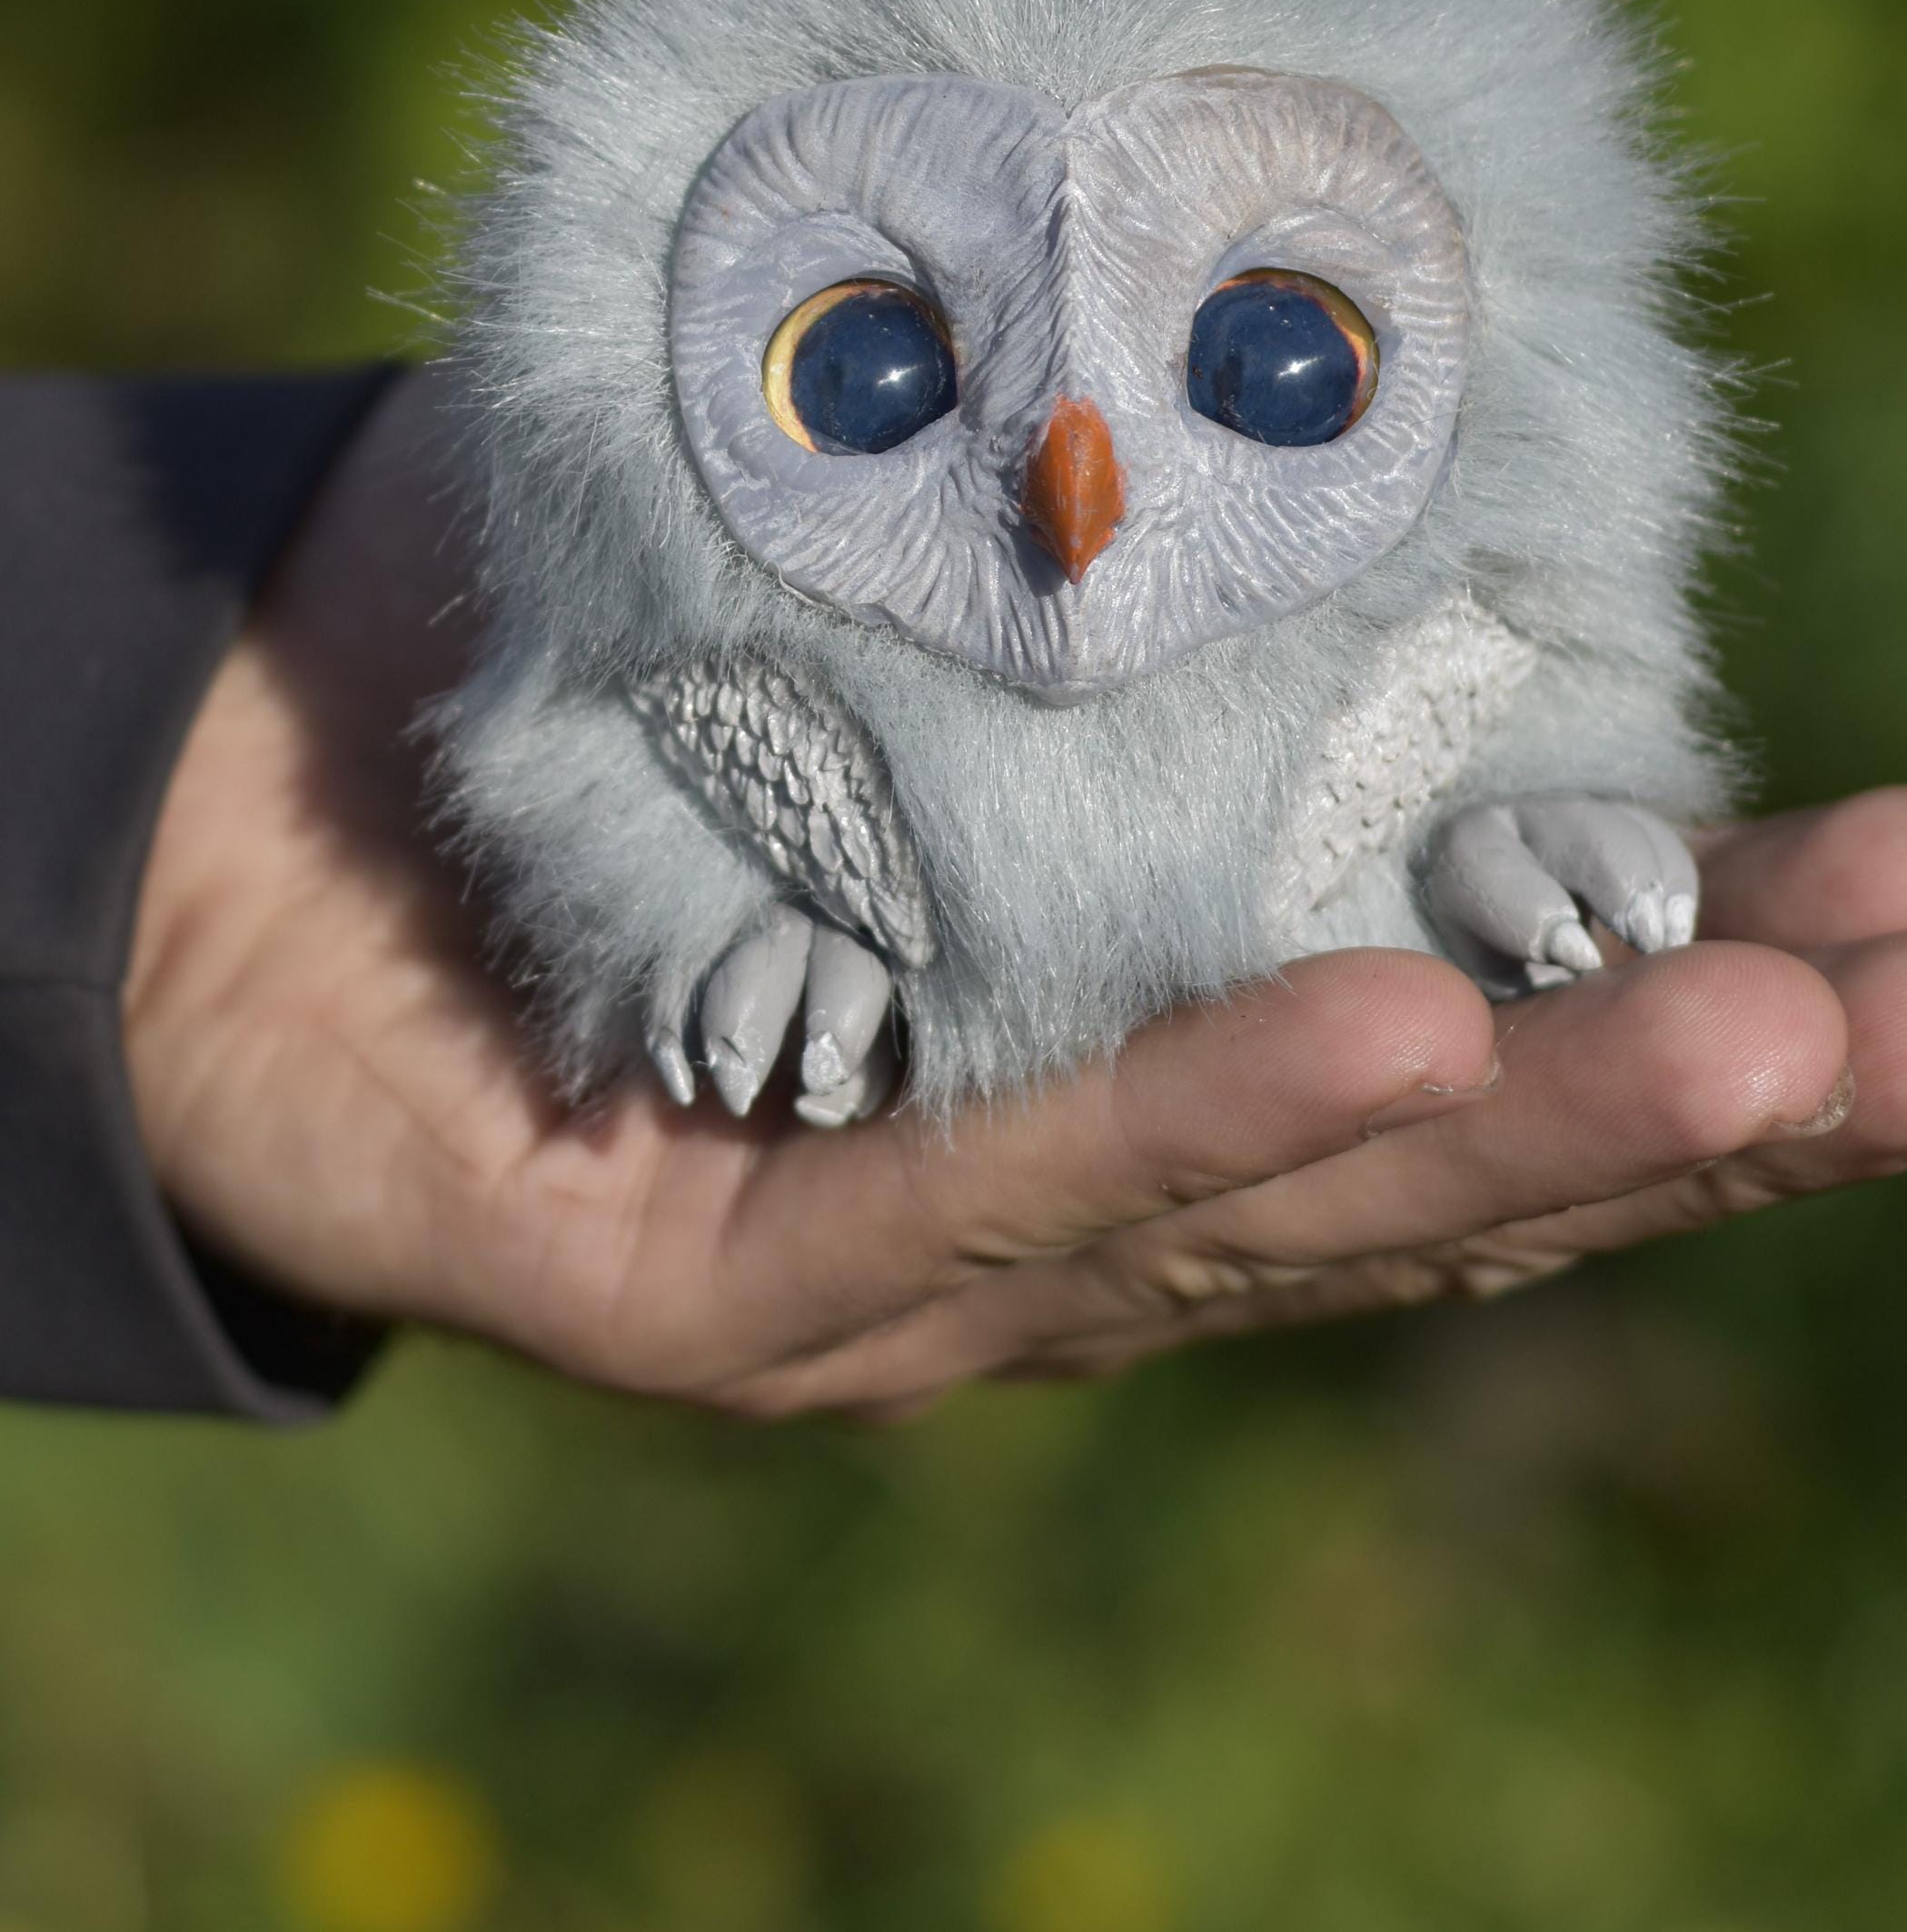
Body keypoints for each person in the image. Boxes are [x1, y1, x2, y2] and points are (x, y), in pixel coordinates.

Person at [2, 365, 1902, 1422]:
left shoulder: (1504, 481)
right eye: (877, 362)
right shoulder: (657, 589)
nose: (1077, 471)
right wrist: (145, 792)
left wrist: (1503, 799)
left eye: (1271, 349)